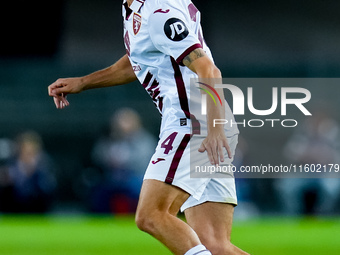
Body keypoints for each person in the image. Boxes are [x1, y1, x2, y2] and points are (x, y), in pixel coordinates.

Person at [48, 1, 249, 254]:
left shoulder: (158, 12)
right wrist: (83, 82)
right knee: (214, 244)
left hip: (195, 121)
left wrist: (214, 127)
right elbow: (140, 59)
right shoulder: (136, 8)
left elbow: (208, 69)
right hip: (207, 121)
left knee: (151, 215)